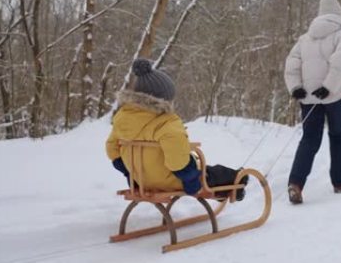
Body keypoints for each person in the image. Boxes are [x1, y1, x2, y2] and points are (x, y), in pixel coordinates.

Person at [106, 59, 247, 200]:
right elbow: (177, 162)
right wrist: (191, 181)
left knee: (206, 173)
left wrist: (130, 174)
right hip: (172, 181)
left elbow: (112, 150)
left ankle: (223, 193)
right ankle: (238, 180)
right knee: (214, 173)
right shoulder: (166, 123)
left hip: (142, 181)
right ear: (163, 99)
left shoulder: (122, 119)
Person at [283, 0, 341, 204]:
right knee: (339, 137)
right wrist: (329, 87)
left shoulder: (305, 39)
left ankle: (295, 183)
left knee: (309, 139)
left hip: (309, 98)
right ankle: (340, 183)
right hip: (335, 96)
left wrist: (296, 87)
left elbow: (292, 64)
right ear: (339, 13)